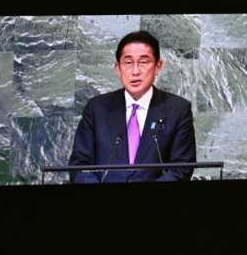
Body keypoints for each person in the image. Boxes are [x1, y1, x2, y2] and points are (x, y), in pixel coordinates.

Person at [68, 30, 196, 183]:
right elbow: (79, 166)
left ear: (157, 66)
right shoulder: (96, 108)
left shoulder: (178, 109)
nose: (135, 71)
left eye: (143, 62)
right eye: (128, 62)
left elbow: (181, 169)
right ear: (118, 68)